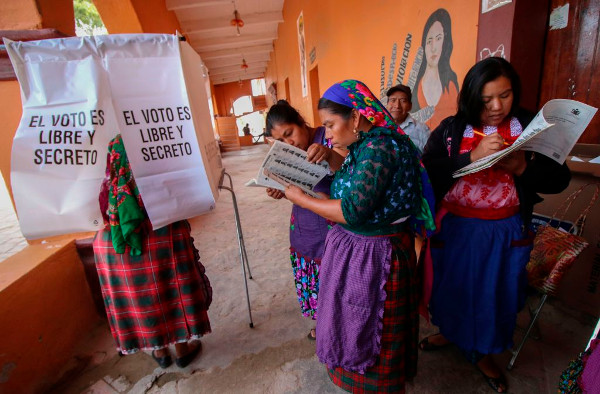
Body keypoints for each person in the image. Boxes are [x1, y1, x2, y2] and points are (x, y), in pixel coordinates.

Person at [420, 57, 571, 393]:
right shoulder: (450, 129)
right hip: (457, 230)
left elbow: (560, 179)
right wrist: (470, 159)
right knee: (452, 289)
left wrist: (521, 167)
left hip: (505, 232)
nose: (497, 107)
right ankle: (451, 332)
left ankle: (483, 353)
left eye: (504, 96)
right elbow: (426, 173)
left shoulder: (531, 125)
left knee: (495, 295)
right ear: (472, 97)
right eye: (486, 100)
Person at [284, 80, 435, 393]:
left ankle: (375, 386)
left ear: (355, 117)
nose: (327, 133)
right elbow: (356, 176)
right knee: (352, 319)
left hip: (378, 255)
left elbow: (353, 209)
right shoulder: (367, 143)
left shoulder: (380, 148)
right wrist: (330, 156)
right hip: (363, 251)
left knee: (370, 328)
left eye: (330, 125)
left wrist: (302, 199)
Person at [93, 135, 212, 369]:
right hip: (161, 231)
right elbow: (181, 193)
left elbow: (98, 210)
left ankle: (160, 352)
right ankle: (181, 349)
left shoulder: (108, 182)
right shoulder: (153, 152)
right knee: (172, 292)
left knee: (139, 299)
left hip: (112, 243)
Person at [265, 100, 346, 339]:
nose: (288, 143)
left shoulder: (328, 137)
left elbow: (351, 168)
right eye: (280, 141)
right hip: (304, 225)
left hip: (333, 224)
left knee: (336, 277)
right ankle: (324, 323)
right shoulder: (288, 153)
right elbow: (291, 183)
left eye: (289, 134)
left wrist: (330, 155)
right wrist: (279, 189)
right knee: (313, 278)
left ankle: (341, 327)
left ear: (301, 122)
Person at [412, 8, 459, 130]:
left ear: (445, 42)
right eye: (429, 41)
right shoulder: (416, 88)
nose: (433, 48)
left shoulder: (451, 84)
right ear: (424, 45)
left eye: (438, 39)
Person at [386, 84, 431, 152]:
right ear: (387, 104)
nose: (397, 106)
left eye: (403, 101)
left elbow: (432, 158)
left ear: (410, 106)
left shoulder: (422, 130)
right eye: (393, 100)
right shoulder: (379, 128)